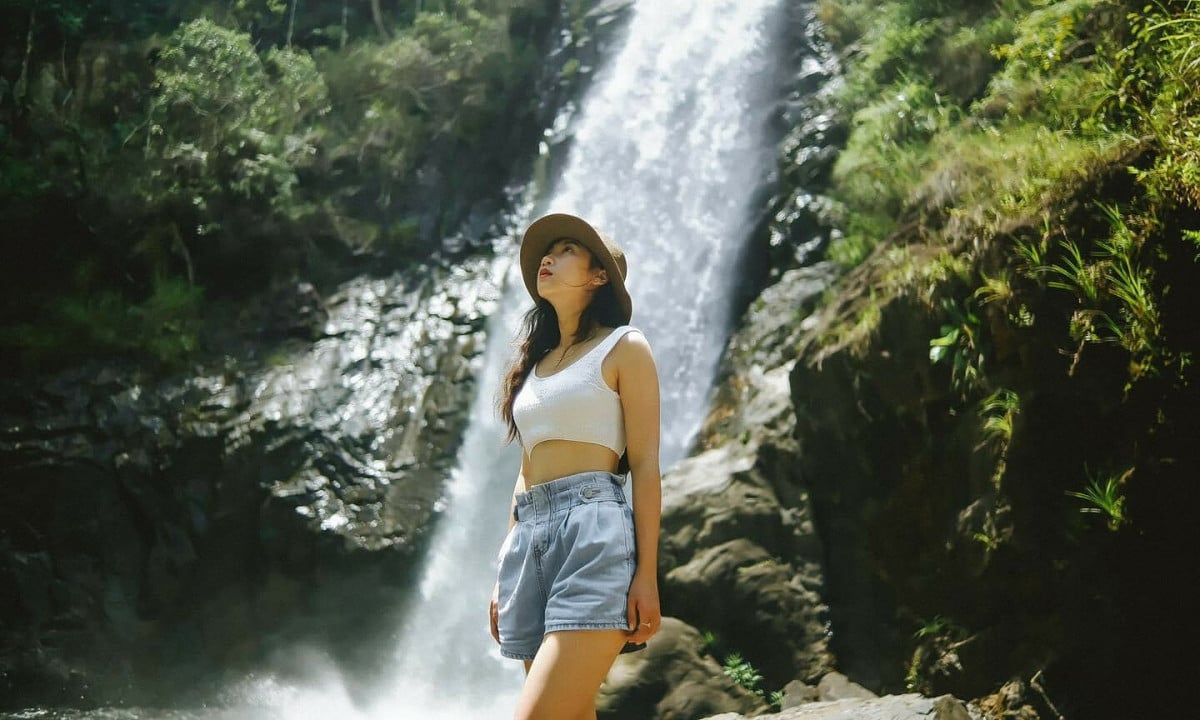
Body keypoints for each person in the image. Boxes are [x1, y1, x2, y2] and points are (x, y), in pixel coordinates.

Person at [489, 212, 662, 720]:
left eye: (566, 249)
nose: (549, 257)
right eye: (549, 250)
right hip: (529, 541)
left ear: (598, 276)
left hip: (593, 536)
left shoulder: (624, 347)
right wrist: (503, 569)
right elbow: (526, 470)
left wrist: (646, 577)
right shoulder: (536, 366)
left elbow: (647, 466)